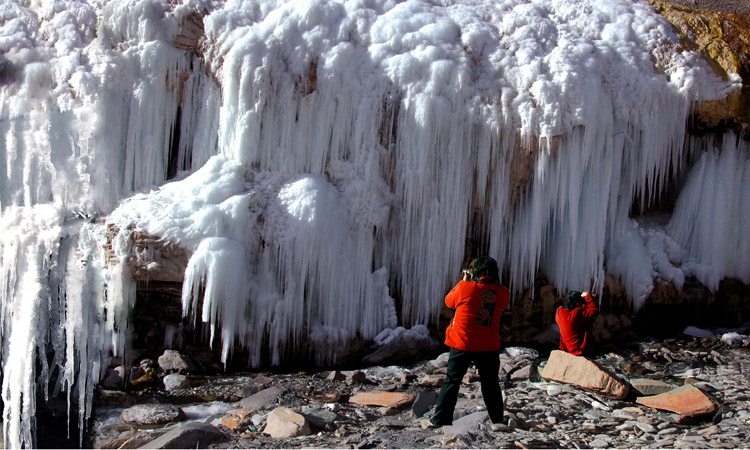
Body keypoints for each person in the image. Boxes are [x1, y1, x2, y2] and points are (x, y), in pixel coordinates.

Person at [422, 256, 510, 428]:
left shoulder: (465, 288)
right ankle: (497, 419)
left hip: (463, 343)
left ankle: (440, 419)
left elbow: (449, 301)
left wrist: (464, 280)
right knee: (490, 383)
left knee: (452, 381)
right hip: (488, 345)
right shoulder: (503, 293)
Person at [555, 290, 599, 357]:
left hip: (566, 347)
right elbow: (594, 311)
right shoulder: (576, 314)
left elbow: (581, 310)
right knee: (588, 323)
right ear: (576, 303)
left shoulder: (559, 311)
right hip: (579, 350)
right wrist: (589, 298)